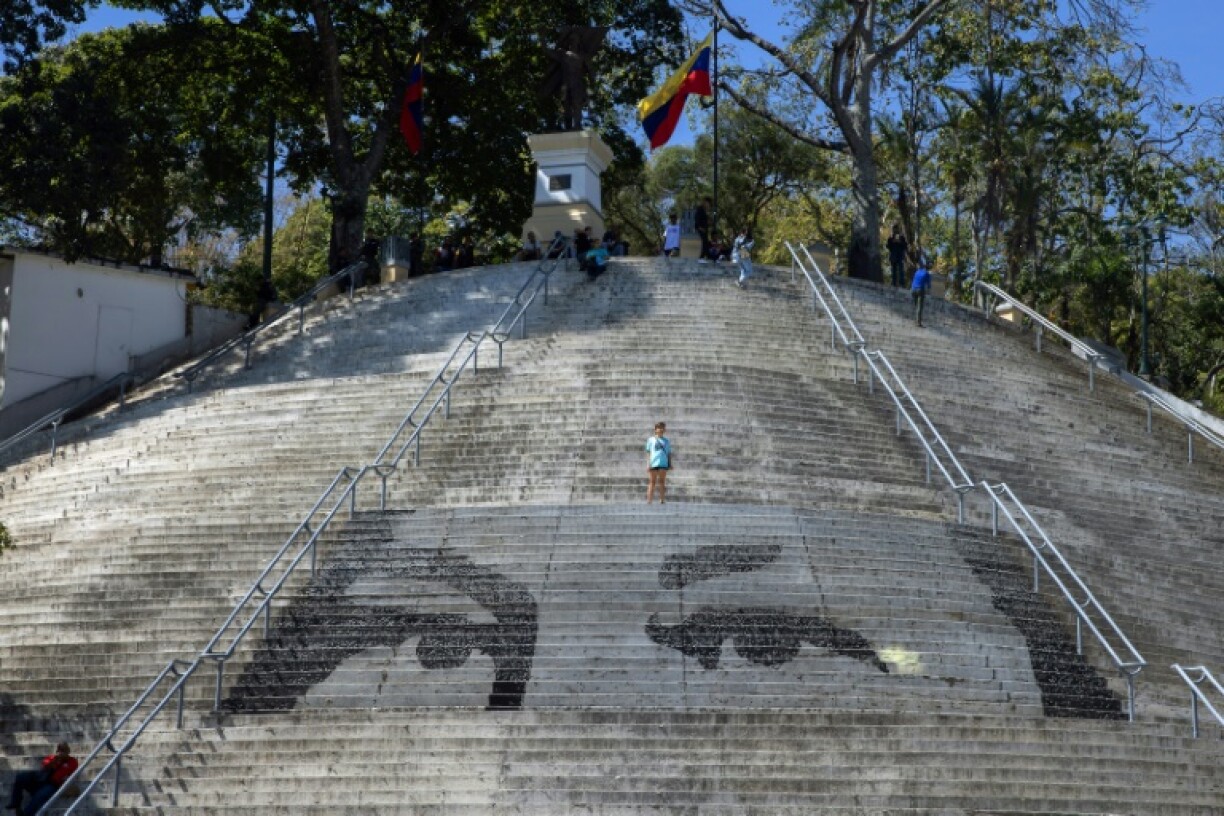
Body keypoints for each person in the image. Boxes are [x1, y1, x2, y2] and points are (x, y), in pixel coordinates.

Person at [6, 742, 78, 816]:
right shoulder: (51, 757)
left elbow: (69, 773)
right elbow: (45, 766)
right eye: (60, 750)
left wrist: (62, 763)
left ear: (68, 752)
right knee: (21, 777)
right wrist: (55, 761)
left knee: (39, 796)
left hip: (52, 785)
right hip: (39, 780)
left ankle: (26, 814)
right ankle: (15, 803)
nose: (61, 752)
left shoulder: (72, 762)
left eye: (63, 750)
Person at [645, 421, 672, 504]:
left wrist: (670, 464)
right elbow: (648, 452)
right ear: (655, 430)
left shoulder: (666, 441)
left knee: (662, 482)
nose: (660, 429)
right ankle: (649, 500)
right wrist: (648, 464)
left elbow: (668, 453)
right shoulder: (651, 440)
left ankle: (662, 499)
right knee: (652, 482)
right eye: (659, 428)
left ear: (664, 430)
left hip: (663, 463)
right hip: (653, 463)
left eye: (662, 428)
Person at [911, 260, 931, 327]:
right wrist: (928, 292)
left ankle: (915, 319)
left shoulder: (917, 272)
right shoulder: (927, 274)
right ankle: (918, 322)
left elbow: (914, 280)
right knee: (919, 307)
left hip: (913, 289)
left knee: (916, 305)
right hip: (920, 290)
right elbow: (928, 285)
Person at [694, 197, 712, 262]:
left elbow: (707, 221)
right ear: (705, 202)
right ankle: (702, 257)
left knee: (706, 243)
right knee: (704, 243)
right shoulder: (700, 209)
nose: (708, 205)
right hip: (701, 229)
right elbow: (697, 220)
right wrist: (700, 228)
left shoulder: (705, 211)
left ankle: (707, 256)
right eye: (708, 204)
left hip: (705, 229)